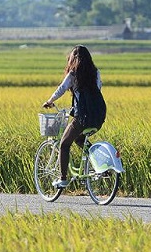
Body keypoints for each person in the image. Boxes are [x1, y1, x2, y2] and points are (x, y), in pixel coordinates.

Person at [42, 45, 106, 189]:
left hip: (82, 117)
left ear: (73, 59)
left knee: (64, 144)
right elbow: (98, 90)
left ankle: (63, 178)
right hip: (99, 115)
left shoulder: (73, 73)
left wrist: (50, 101)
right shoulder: (96, 72)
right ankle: (100, 163)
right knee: (79, 139)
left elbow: (61, 89)